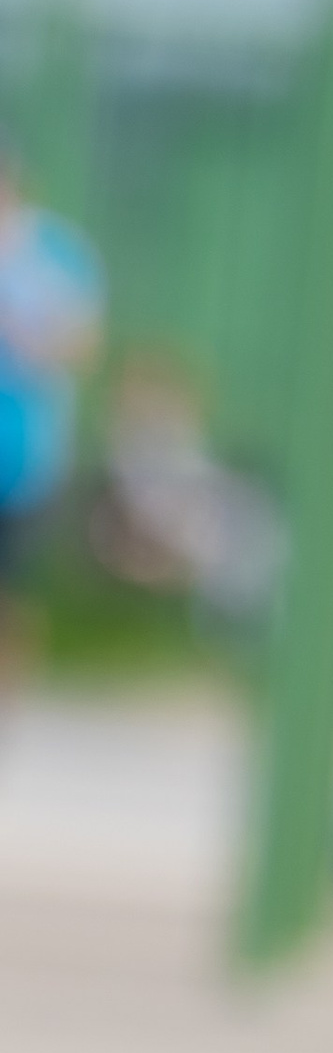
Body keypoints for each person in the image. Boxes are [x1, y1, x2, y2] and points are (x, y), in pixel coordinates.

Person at [0, 143, 107, 680]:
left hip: (25, 453)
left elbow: (83, 345)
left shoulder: (56, 253)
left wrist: (31, 341)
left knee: (11, 591)